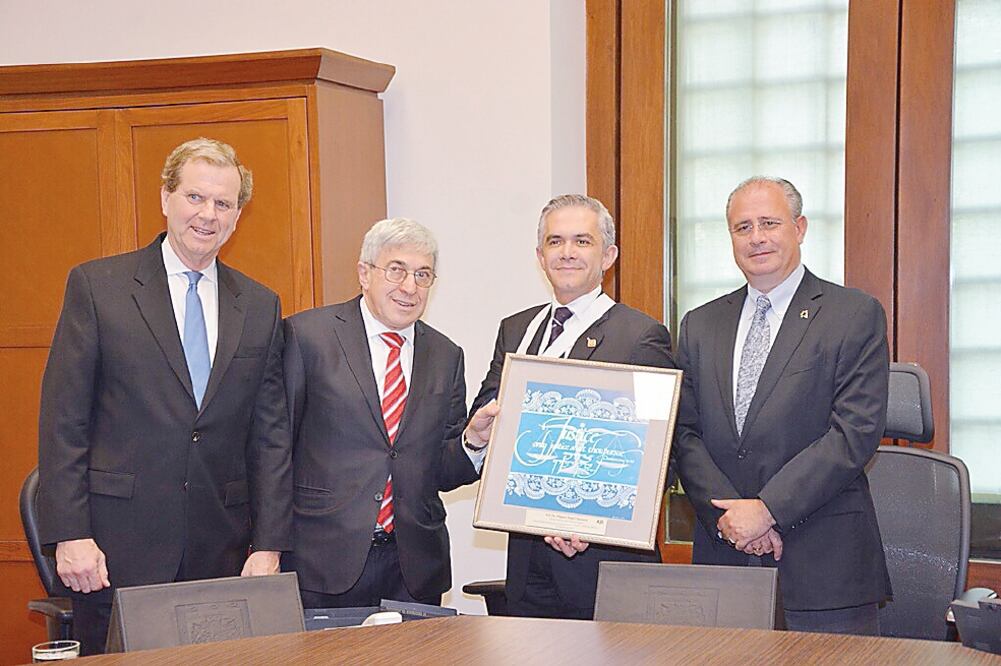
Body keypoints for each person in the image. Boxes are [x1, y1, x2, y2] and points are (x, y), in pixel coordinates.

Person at [37, 137, 293, 655]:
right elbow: (64, 421)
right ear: (165, 199)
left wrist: (268, 545)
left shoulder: (259, 305)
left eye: (223, 204)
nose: (208, 215)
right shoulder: (98, 287)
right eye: (195, 197)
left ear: (238, 215)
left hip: (220, 555)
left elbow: (269, 437)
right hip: (113, 553)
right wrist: (70, 534)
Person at [672, 176, 891, 635]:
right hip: (723, 558)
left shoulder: (853, 314)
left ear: (800, 227)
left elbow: (854, 432)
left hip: (823, 569)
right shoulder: (699, 324)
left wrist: (766, 509)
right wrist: (730, 517)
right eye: (742, 227)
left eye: (769, 223)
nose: (757, 238)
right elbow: (684, 434)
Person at [465, 194, 674, 620]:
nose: (567, 252)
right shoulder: (516, 330)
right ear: (540, 256)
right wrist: (476, 436)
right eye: (555, 241)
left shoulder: (642, 336)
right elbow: (485, 418)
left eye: (582, 241)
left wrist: (588, 526)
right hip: (527, 563)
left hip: (601, 563)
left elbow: (658, 457)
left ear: (608, 255)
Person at [282, 217, 482, 608]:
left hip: (413, 568)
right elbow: (275, 450)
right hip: (322, 563)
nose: (410, 286)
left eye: (423, 275)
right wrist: (266, 545)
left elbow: (442, 472)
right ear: (364, 273)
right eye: (397, 270)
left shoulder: (446, 355)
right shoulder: (307, 337)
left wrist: (472, 440)